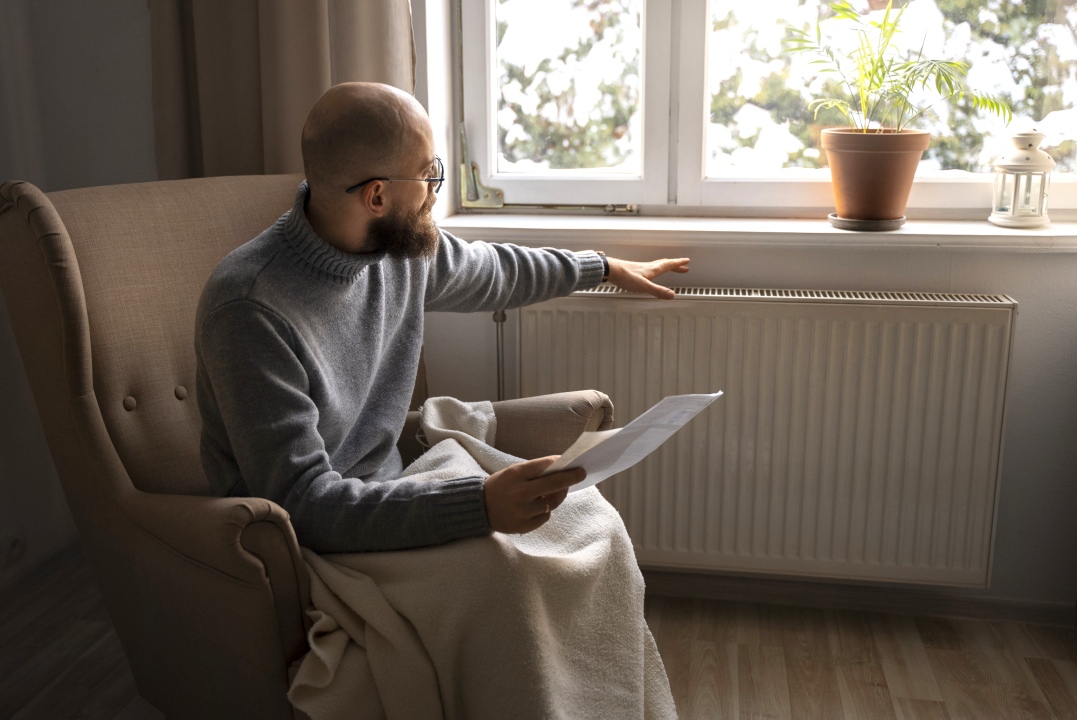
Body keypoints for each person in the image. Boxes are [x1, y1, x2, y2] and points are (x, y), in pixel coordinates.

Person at [195, 81, 690, 555]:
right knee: (520, 572)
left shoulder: (396, 250)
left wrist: (601, 266)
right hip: (308, 543)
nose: (435, 190)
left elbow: (497, 270)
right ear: (377, 197)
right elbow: (301, 504)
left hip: (390, 490)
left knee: (589, 525)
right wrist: (477, 506)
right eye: (429, 173)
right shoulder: (250, 310)